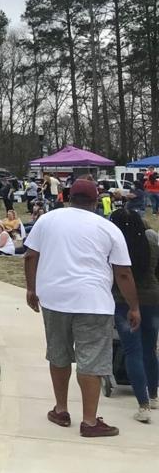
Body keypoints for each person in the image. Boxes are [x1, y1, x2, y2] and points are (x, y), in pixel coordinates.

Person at [24, 178, 140, 437]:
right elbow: (122, 273)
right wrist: (134, 306)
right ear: (96, 201)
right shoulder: (108, 228)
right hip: (93, 301)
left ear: (67, 197)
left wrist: (31, 289)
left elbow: (30, 255)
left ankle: (61, 410)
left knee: (58, 353)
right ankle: (89, 422)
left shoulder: (47, 220)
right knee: (92, 359)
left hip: (54, 299)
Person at [107, 209, 159, 423]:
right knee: (150, 348)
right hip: (153, 298)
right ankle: (154, 394)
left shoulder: (116, 244)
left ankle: (143, 405)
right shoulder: (152, 241)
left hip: (124, 301)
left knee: (132, 350)